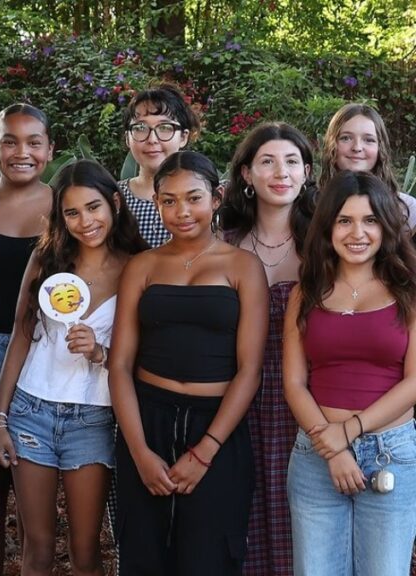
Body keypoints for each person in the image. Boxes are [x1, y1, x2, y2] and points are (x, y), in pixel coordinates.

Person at [109, 151, 268, 575]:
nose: (182, 212)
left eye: (193, 198)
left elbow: (250, 369)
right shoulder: (143, 266)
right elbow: (120, 364)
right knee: (142, 555)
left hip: (218, 426)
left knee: (209, 557)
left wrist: (206, 450)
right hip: (148, 419)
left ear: (216, 199)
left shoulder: (244, 267)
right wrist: (140, 451)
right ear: (156, 203)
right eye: (169, 200)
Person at [0, 160, 148, 575]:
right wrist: (0, 419)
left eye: (94, 208)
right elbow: (20, 337)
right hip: (31, 411)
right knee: (37, 550)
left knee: (85, 551)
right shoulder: (47, 258)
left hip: (93, 417)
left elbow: (141, 356)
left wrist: (100, 352)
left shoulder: (138, 265)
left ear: (114, 203)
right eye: (72, 212)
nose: (85, 222)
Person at [283, 170, 416, 576]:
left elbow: (414, 382)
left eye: (370, 220)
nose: (357, 233)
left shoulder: (408, 289)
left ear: (385, 226)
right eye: (345, 220)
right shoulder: (305, 292)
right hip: (316, 456)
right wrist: (334, 448)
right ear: (327, 226)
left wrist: (350, 431)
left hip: (390, 453)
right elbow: (294, 383)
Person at [219, 122, 317, 575]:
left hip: (308, 399)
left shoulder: (327, 244)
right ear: (246, 174)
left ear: (307, 172)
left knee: (305, 519)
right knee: (244, 512)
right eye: (267, 161)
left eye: (292, 161)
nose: (281, 172)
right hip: (237, 395)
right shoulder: (224, 244)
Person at [0, 103, 53, 576]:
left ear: (50, 150)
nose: (20, 152)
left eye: (33, 142)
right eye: (9, 140)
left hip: (40, 356)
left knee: (32, 498)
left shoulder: (67, 208)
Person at [118, 83, 201, 248]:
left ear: (184, 137)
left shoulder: (204, 195)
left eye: (164, 127)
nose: (152, 139)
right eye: (141, 127)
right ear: (128, 137)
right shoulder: (113, 198)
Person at [319, 103, 416, 229]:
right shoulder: (312, 206)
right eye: (346, 138)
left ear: (380, 148)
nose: (357, 148)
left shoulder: (406, 210)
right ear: (332, 144)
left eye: (368, 140)